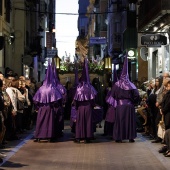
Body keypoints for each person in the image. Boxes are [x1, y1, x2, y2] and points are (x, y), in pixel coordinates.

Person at [111, 54, 140, 143]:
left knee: (120, 121)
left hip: (120, 106)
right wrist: (134, 102)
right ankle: (130, 137)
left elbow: (112, 95)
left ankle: (119, 137)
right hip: (129, 105)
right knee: (130, 122)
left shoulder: (116, 85)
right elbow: (136, 95)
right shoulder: (131, 84)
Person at [33, 61, 62, 142]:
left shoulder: (41, 88)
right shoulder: (52, 88)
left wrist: (37, 107)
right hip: (49, 108)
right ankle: (49, 136)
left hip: (42, 108)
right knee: (49, 122)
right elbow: (56, 100)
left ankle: (39, 136)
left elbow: (36, 100)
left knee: (41, 122)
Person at [73, 58, 97, 143]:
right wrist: (93, 105)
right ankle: (88, 137)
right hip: (88, 107)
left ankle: (79, 137)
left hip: (80, 108)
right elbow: (93, 99)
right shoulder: (90, 88)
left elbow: (76, 99)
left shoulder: (79, 88)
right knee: (88, 122)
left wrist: (76, 107)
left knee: (80, 122)